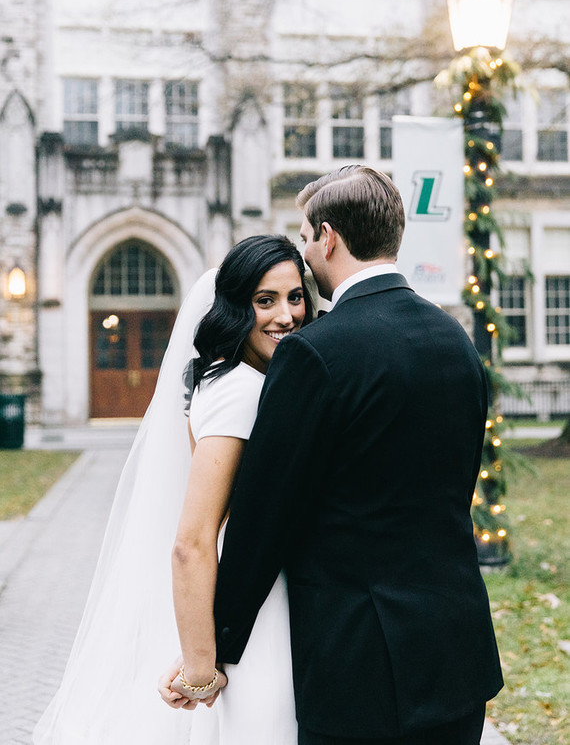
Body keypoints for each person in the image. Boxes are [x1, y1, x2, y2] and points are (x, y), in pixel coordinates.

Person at [209, 165, 503, 745]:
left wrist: (216, 648)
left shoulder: (314, 354)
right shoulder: (458, 343)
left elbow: (264, 518)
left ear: (328, 237)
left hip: (359, 664)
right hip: (456, 649)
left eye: (303, 236)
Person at [34, 234, 312, 745]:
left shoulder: (227, 378)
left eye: (295, 297)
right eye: (265, 300)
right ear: (235, 307)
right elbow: (191, 542)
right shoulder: (243, 391)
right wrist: (200, 668)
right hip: (256, 603)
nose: (287, 315)